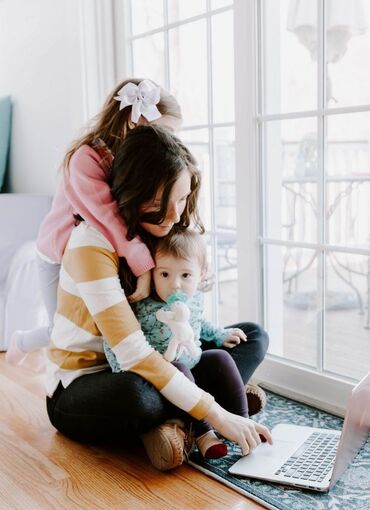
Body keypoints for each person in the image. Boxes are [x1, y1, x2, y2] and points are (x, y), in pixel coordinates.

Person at [45, 124, 273, 471]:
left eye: (182, 199)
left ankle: (179, 422)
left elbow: (176, 321)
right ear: (135, 194)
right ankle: (199, 412)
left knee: (251, 335)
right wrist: (219, 414)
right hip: (89, 382)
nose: (178, 215)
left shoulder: (155, 230)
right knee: (142, 398)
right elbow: (134, 354)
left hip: (161, 358)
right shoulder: (91, 245)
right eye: (163, 203)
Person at [6, 78, 182, 367]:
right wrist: (143, 263)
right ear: (133, 122)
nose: (169, 144)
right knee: (61, 327)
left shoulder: (133, 162)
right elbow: (108, 217)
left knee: (103, 323)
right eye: (166, 133)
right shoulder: (86, 158)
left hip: (102, 251)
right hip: (56, 252)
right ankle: (22, 341)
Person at [104, 229, 257, 460]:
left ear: (201, 274)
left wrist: (219, 335)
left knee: (221, 357)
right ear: (152, 272)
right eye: (164, 274)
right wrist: (120, 368)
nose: (175, 284)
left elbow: (196, 323)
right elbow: (114, 339)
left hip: (192, 359)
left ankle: (243, 422)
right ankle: (204, 433)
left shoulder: (194, 298)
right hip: (161, 375)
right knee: (180, 369)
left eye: (186, 276)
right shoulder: (142, 303)